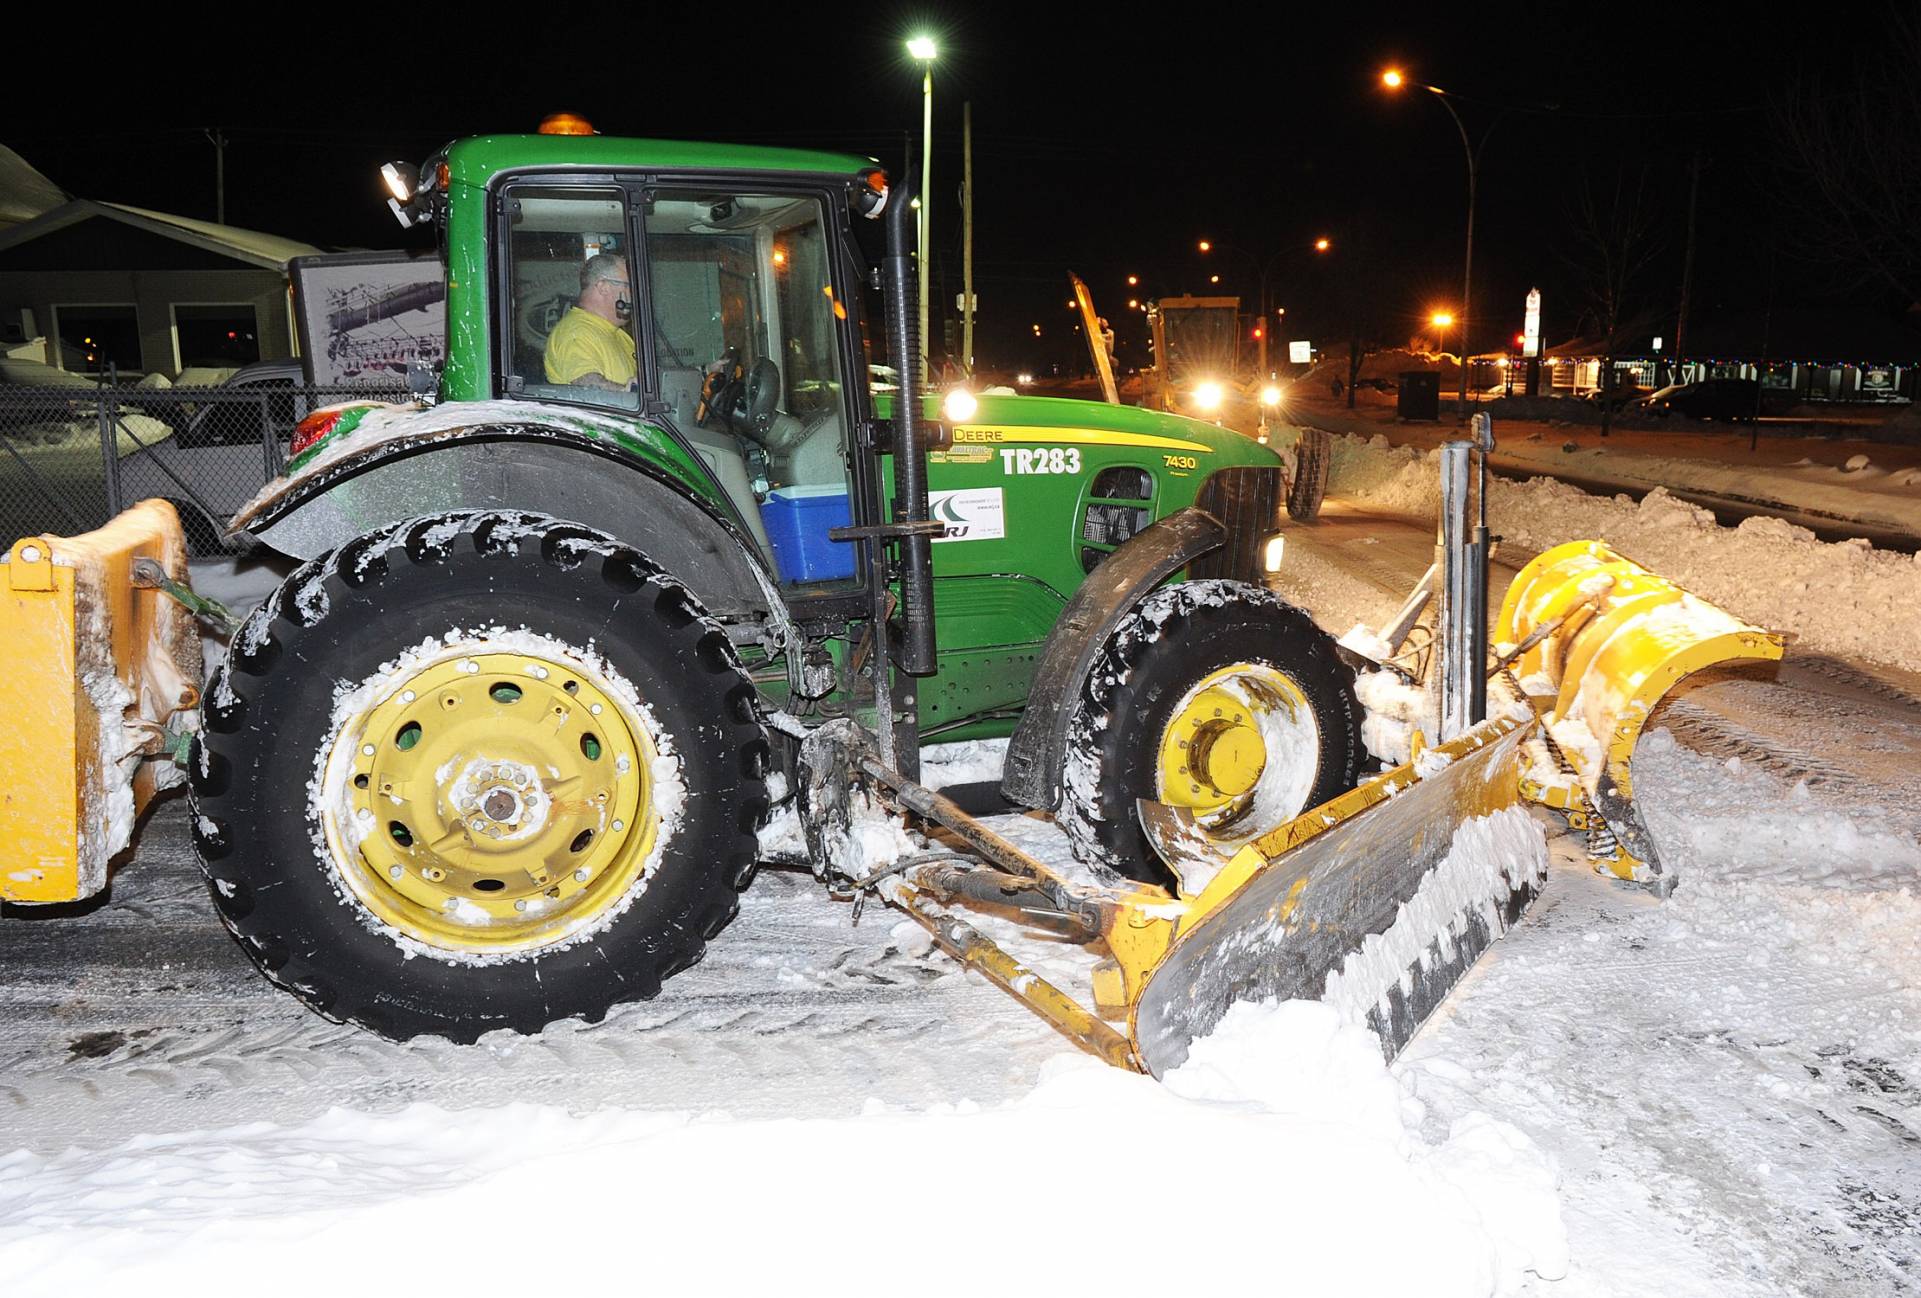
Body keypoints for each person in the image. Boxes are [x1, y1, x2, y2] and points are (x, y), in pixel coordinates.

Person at [544, 253, 637, 389]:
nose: (633, 294)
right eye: (628, 285)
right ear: (603, 287)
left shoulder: (620, 336)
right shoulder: (577, 331)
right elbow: (587, 384)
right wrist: (631, 394)